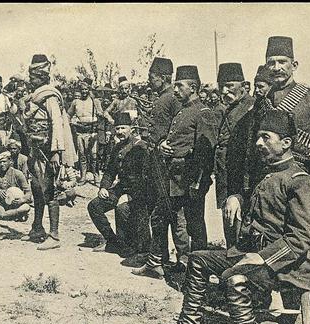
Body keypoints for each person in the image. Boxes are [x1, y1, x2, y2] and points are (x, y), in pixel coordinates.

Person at [154, 110, 310, 324]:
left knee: (236, 279)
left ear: (286, 143)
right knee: (198, 259)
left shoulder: (300, 181)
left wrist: (263, 258)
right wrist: (237, 198)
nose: (258, 143)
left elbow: (303, 237)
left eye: (265, 137)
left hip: (289, 265)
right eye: (258, 137)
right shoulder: (267, 173)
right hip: (255, 255)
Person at [225, 36, 310, 324]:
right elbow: (249, 152)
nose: (277, 68)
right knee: (262, 241)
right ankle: (261, 308)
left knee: (308, 248)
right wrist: (237, 192)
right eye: (272, 63)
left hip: (300, 183)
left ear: (294, 65)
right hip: (267, 186)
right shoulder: (260, 103)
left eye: (282, 62)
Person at [132, 65, 217, 279]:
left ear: (193, 88)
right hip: (175, 177)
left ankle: (198, 270)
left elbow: (206, 151)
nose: (175, 89)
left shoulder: (203, 113)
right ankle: (159, 263)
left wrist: (198, 182)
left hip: (189, 179)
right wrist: (162, 146)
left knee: (194, 224)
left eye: (180, 86)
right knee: (162, 217)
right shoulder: (182, 110)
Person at [21, 53, 77, 251]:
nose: (31, 80)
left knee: (49, 190)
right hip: (35, 149)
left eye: (34, 77)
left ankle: (54, 235)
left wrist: (55, 152)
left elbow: (57, 124)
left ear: (42, 77)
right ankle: (37, 227)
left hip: (48, 151)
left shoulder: (50, 96)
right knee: (36, 188)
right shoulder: (34, 97)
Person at [145, 56, 189, 272]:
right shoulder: (168, 97)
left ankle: (172, 260)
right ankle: (168, 259)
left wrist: (161, 143)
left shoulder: (168, 99)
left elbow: (172, 130)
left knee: (168, 214)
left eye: (152, 77)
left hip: (166, 164)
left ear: (162, 78)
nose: (149, 81)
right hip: (164, 163)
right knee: (168, 213)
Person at [87, 112, 151, 257]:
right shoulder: (116, 148)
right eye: (117, 128)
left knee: (122, 209)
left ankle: (130, 245)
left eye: (123, 128)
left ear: (131, 129)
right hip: (121, 188)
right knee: (94, 206)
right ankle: (112, 241)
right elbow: (110, 171)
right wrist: (103, 187)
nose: (120, 132)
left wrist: (130, 195)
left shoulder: (140, 147)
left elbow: (145, 177)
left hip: (139, 191)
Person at [213, 63, 255, 248]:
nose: (224, 91)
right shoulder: (229, 108)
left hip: (241, 180)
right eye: (222, 86)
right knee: (229, 222)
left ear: (244, 86)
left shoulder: (251, 108)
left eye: (230, 85)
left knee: (240, 227)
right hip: (227, 177)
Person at [68, 78, 103, 184]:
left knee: (94, 155)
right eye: (82, 89)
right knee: (82, 154)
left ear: (89, 89)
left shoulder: (95, 101)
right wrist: (70, 123)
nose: (84, 91)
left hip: (92, 131)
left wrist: (98, 117)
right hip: (80, 131)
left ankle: (96, 176)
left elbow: (101, 115)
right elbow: (68, 114)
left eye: (86, 89)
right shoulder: (75, 102)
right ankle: (83, 176)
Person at [0, 151, 32, 221]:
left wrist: (22, 200)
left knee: (26, 207)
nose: (2, 164)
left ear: (10, 161)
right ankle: (12, 215)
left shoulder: (18, 174)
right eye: (0, 162)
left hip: (15, 204)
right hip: (0, 203)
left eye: (4, 162)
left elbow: (28, 192)